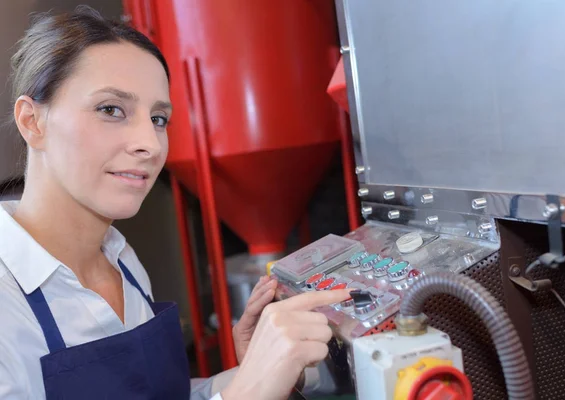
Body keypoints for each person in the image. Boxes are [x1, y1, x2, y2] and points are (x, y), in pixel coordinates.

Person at [0, 6, 351, 400]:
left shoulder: (122, 260)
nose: (149, 144)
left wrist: (250, 371)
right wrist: (247, 393)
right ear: (32, 121)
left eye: (159, 119)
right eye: (111, 110)